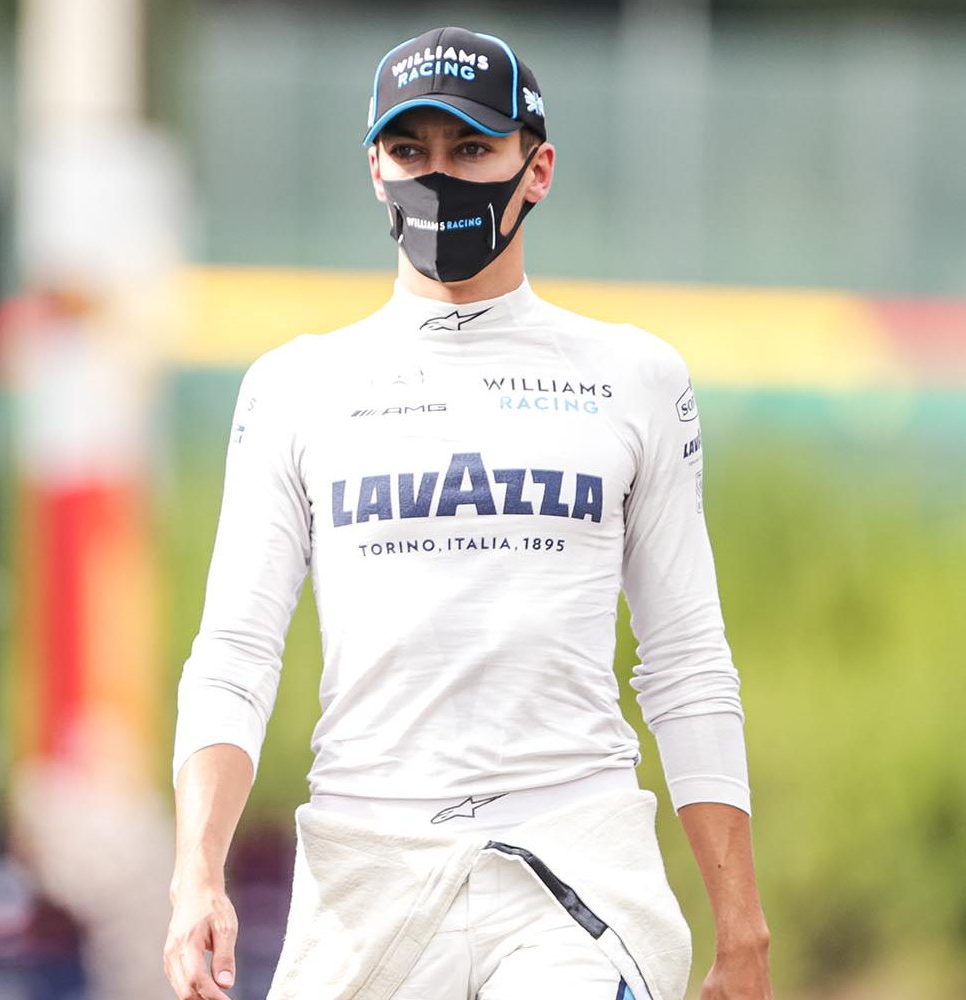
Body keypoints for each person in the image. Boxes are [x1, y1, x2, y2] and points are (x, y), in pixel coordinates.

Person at [164, 26, 772, 1000]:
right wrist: (196, 874)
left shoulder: (635, 378)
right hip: (369, 885)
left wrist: (742, 931)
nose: (437, 178)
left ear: (538, 168)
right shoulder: (294, 386)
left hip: (578, 885)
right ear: (374, 167)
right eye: (412, 152)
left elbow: (689, 661)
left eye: (472, 151)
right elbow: (235, 652)